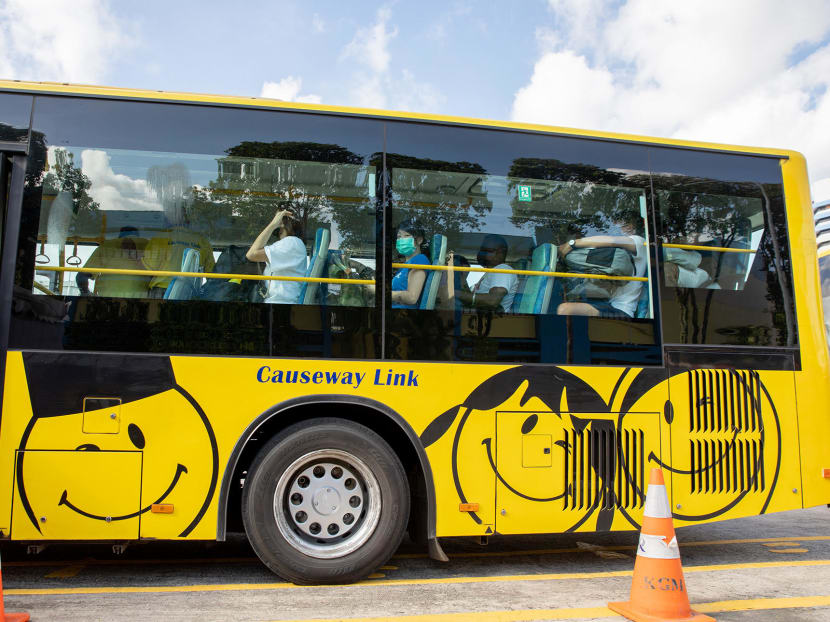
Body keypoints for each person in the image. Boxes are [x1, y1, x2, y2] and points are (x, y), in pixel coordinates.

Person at [556, 215, 647, 318]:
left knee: (565, 310)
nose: (613, 230)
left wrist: (572, 244)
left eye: (616, 227)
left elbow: (612, 241)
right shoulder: (620, 254)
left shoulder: (639, 241)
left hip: (622, 309)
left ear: (629, 227)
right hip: (608, 303)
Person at [246, 207, 308, 304]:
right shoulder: (292, 244)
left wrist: (272, 225)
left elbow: (252, 254)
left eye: (278, 217)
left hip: (278, 303)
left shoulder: (291, 242)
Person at [450, 234, 518, 312]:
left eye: (486, 250)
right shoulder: (490, 272)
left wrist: (453, 293)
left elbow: (493, 300)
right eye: (481, 250)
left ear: (500, 253)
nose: (481, 254)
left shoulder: (503, 269)